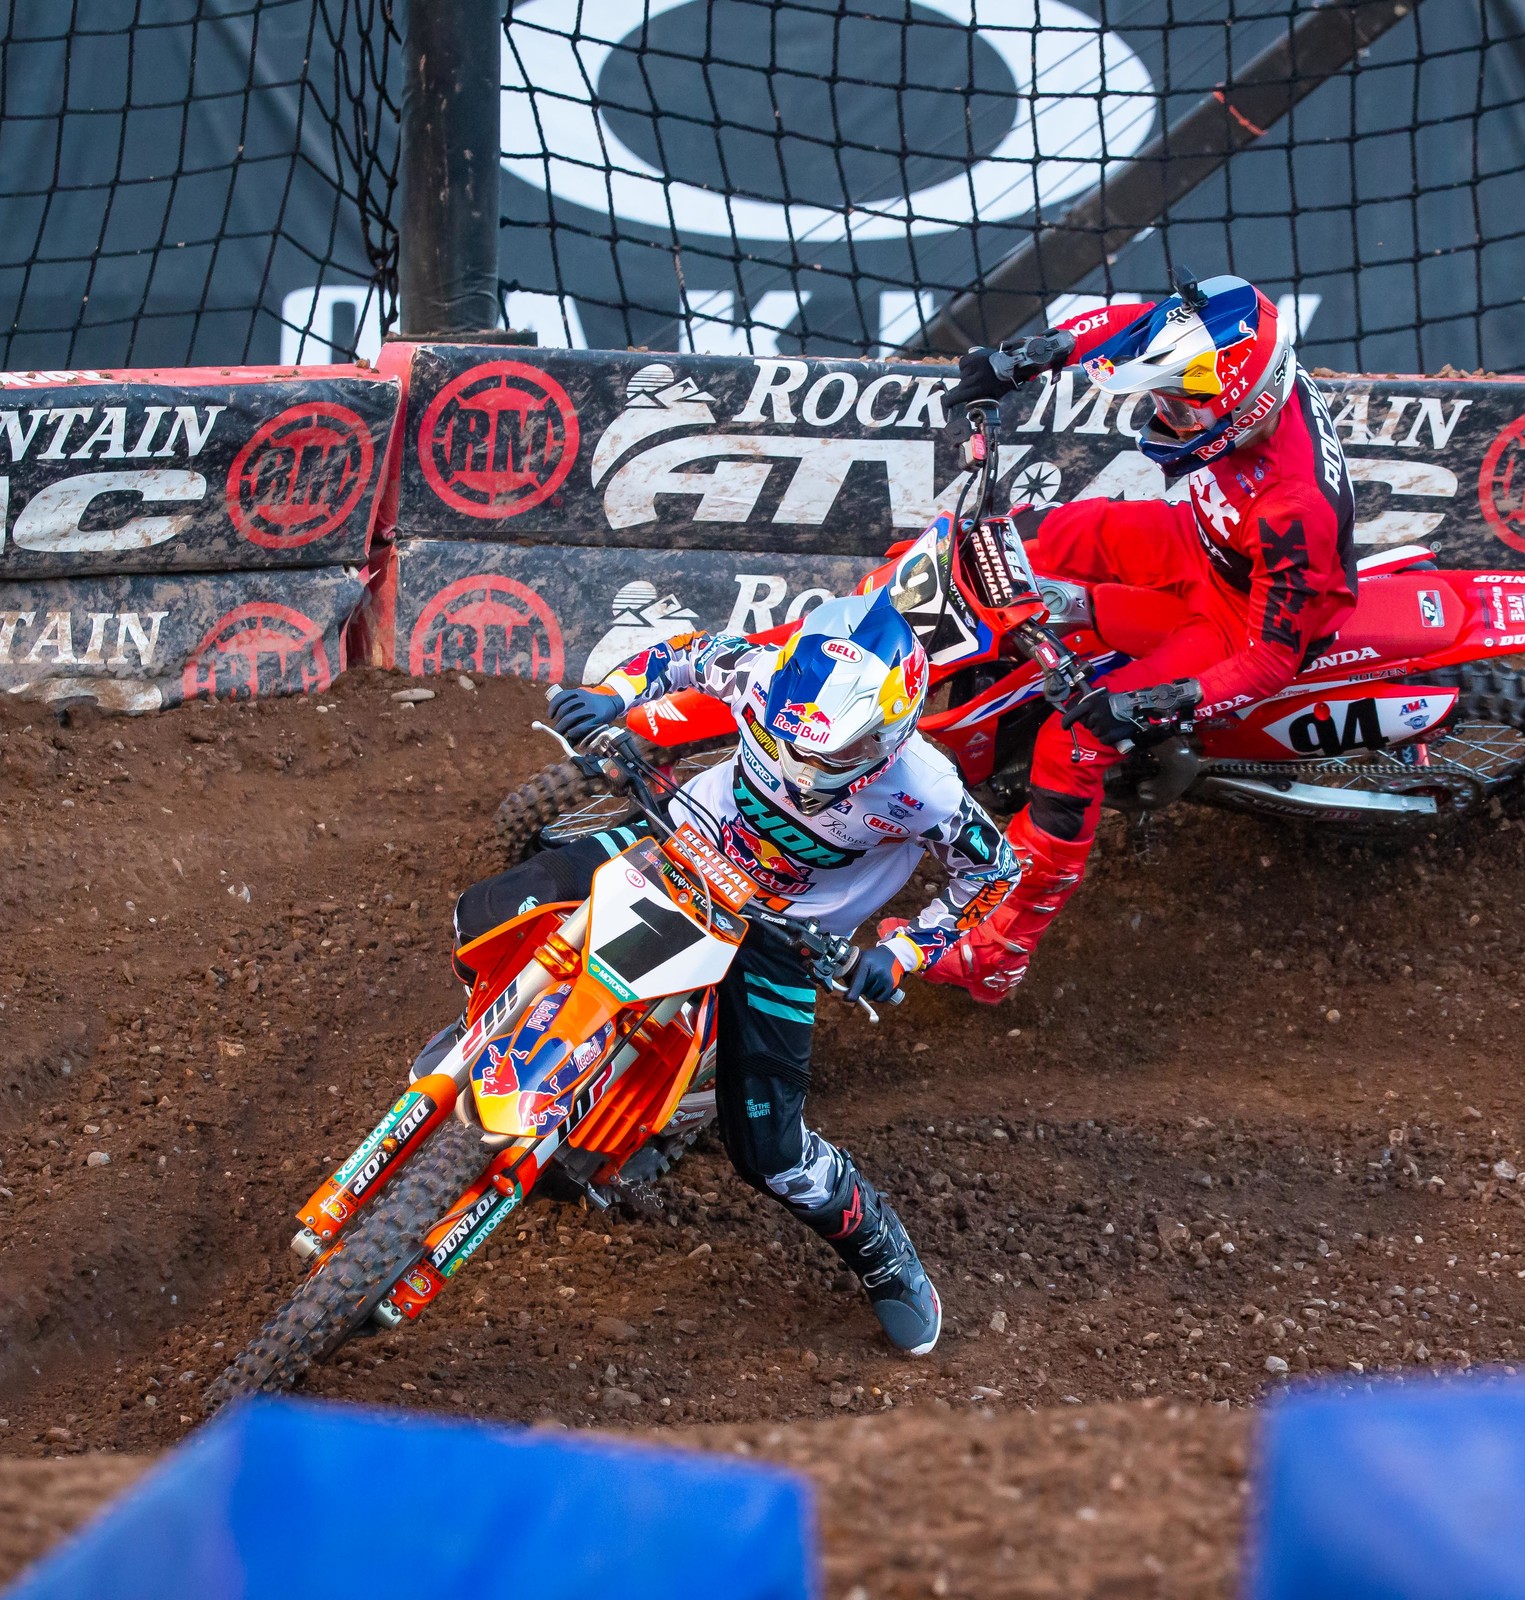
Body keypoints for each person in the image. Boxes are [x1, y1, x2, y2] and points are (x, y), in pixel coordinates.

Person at [451, 590, 1020, 1357]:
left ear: (888, 736)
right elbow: (679, 654)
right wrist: (608, 695)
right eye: (780, 737)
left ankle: (882, 1253)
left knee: (772, 1151)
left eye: (828, 758)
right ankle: (496, 1035)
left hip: (785, 936)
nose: (795, 767)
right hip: (680, 846)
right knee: (485, 913)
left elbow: (993, 873)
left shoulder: (929, 790)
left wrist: (902, 952)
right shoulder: (759, 671)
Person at [920, 272, 1357, 1002]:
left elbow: (1274, 657)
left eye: (1181, 408)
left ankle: (1001, 949)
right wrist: (1024, 359)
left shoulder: (1294, 507)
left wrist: (1156, 706)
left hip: (1237, 621)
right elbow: (1135, 322)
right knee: (1041, 533)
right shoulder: (1239, 329)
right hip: (1200, 544)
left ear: (1243, 410)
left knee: (1075, 741)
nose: (1166, 413)